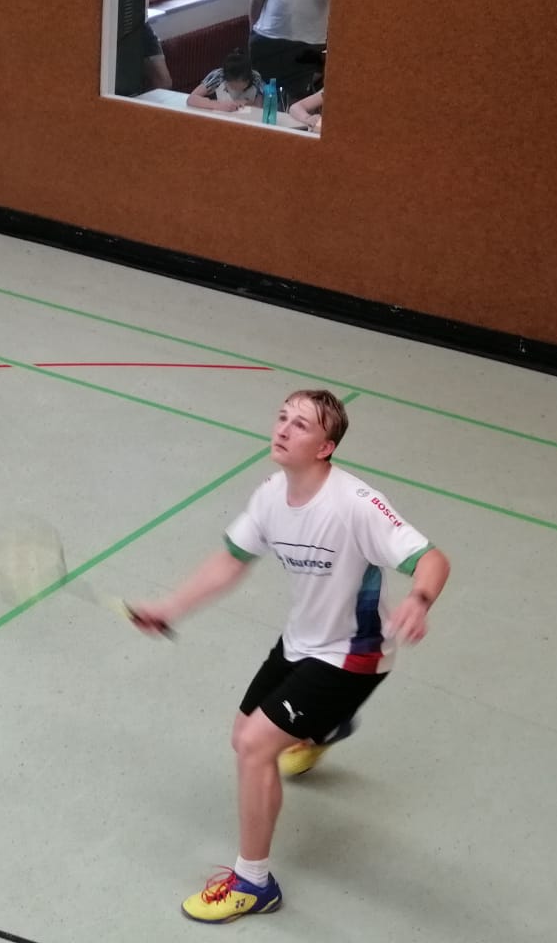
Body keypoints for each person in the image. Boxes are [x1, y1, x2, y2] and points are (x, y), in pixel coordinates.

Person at [128, 389, 449, 925]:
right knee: (242, 735)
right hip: (301, 641)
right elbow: (231, 561)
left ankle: (253, 883)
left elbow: (432, 559)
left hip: (353, 654)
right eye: (282, 417)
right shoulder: (271, 495)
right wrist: (169, 607)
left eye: (300, 425)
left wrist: (418, 600)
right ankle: (322, 729)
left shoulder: (355, 504)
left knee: (255, 747)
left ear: (325, 447)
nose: (282, 428)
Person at [186, 50, 266, 112]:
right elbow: (191, 99)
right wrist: (218, 105)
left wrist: (247, 103)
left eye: (242, 88)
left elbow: (260, 107)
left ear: (248, 80)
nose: (237, 90)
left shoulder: (256, 78)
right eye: (233, 87)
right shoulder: (218, 76)